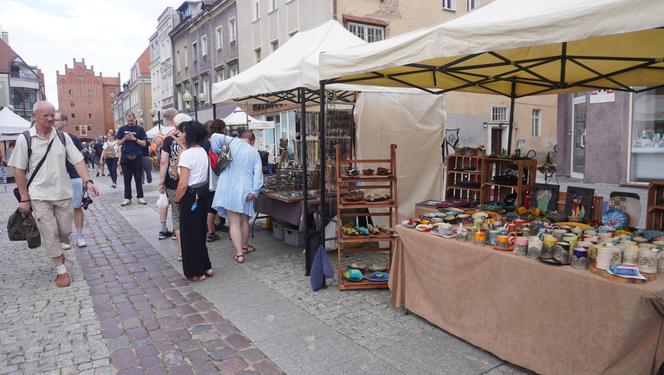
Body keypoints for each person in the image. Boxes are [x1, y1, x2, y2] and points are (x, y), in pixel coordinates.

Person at [8, 101, 99, 287]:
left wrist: (87, 181)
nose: (50, 119)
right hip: (39, 195)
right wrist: (25, 198)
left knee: (64, 231)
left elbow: (78, 160)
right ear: (35, 116)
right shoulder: (25, 139)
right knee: (49, 232)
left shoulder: (63, 137)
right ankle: (61, 270)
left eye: (52, 115)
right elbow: (18, 171)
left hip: (63, 193)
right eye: (46, 116)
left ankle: (58, 249)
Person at [211, 130, 263, 263]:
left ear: (241, 137)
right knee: (245, 220)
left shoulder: (232, 142)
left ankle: (239, 254)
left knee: (234, 222)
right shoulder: (255, 153)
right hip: (246, 187)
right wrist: (254, 191)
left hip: (229, 186)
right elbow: (258, 174)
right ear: (252, 141)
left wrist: (219, 150)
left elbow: (214, 137)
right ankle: (244, 247)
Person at [174, 121, 213, 281]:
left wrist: (177, 199)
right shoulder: (201, 151)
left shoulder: (188, 154)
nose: (180, 135)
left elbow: (182, 183)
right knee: (199, 233)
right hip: (202, 195)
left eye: (182, 132)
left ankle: (195, 272)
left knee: (189, 235)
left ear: (189, 134)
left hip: (190, 196)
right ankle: (206, 266)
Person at [53, 111, 88, 248]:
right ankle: (63, 238)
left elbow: (80, 160)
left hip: (73, 177)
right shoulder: (47, 138)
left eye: (56, 119)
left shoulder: (72, 138)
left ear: (64, 122)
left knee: (77, 207)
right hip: (57, 178)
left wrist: (86, 179)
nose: (53, 121)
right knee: (58, 209)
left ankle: (79, 236)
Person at [160, 111, 191, 250]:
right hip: (190, 180)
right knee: (190, 215)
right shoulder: (192, 138)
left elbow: (163, 162)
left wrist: (161, 181)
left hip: (173, 182)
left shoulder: (169, 139)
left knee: (176, 216)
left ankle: (181, 251)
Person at [116, 111, 148, 206]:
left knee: (138, 178)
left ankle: (140, 197)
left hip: (137, 157)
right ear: (126, 119)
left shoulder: (140, 129)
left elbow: (145, 143)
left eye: (132, 120)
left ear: (134, 119)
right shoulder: (122, 129)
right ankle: (127, 198)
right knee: (127, 179)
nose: (130, 122)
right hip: (126, 158)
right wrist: (125, 138)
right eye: (128, 120)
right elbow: (117, 143)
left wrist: (135, 139)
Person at [204, 119, 227, 242]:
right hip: (219, 179)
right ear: (222, 129)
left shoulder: (205, 143)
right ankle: (214, 232)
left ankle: (211, 231)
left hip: (208, 179)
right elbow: (227, 161)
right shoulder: (222, 143)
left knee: (210, 207)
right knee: (220, 206)